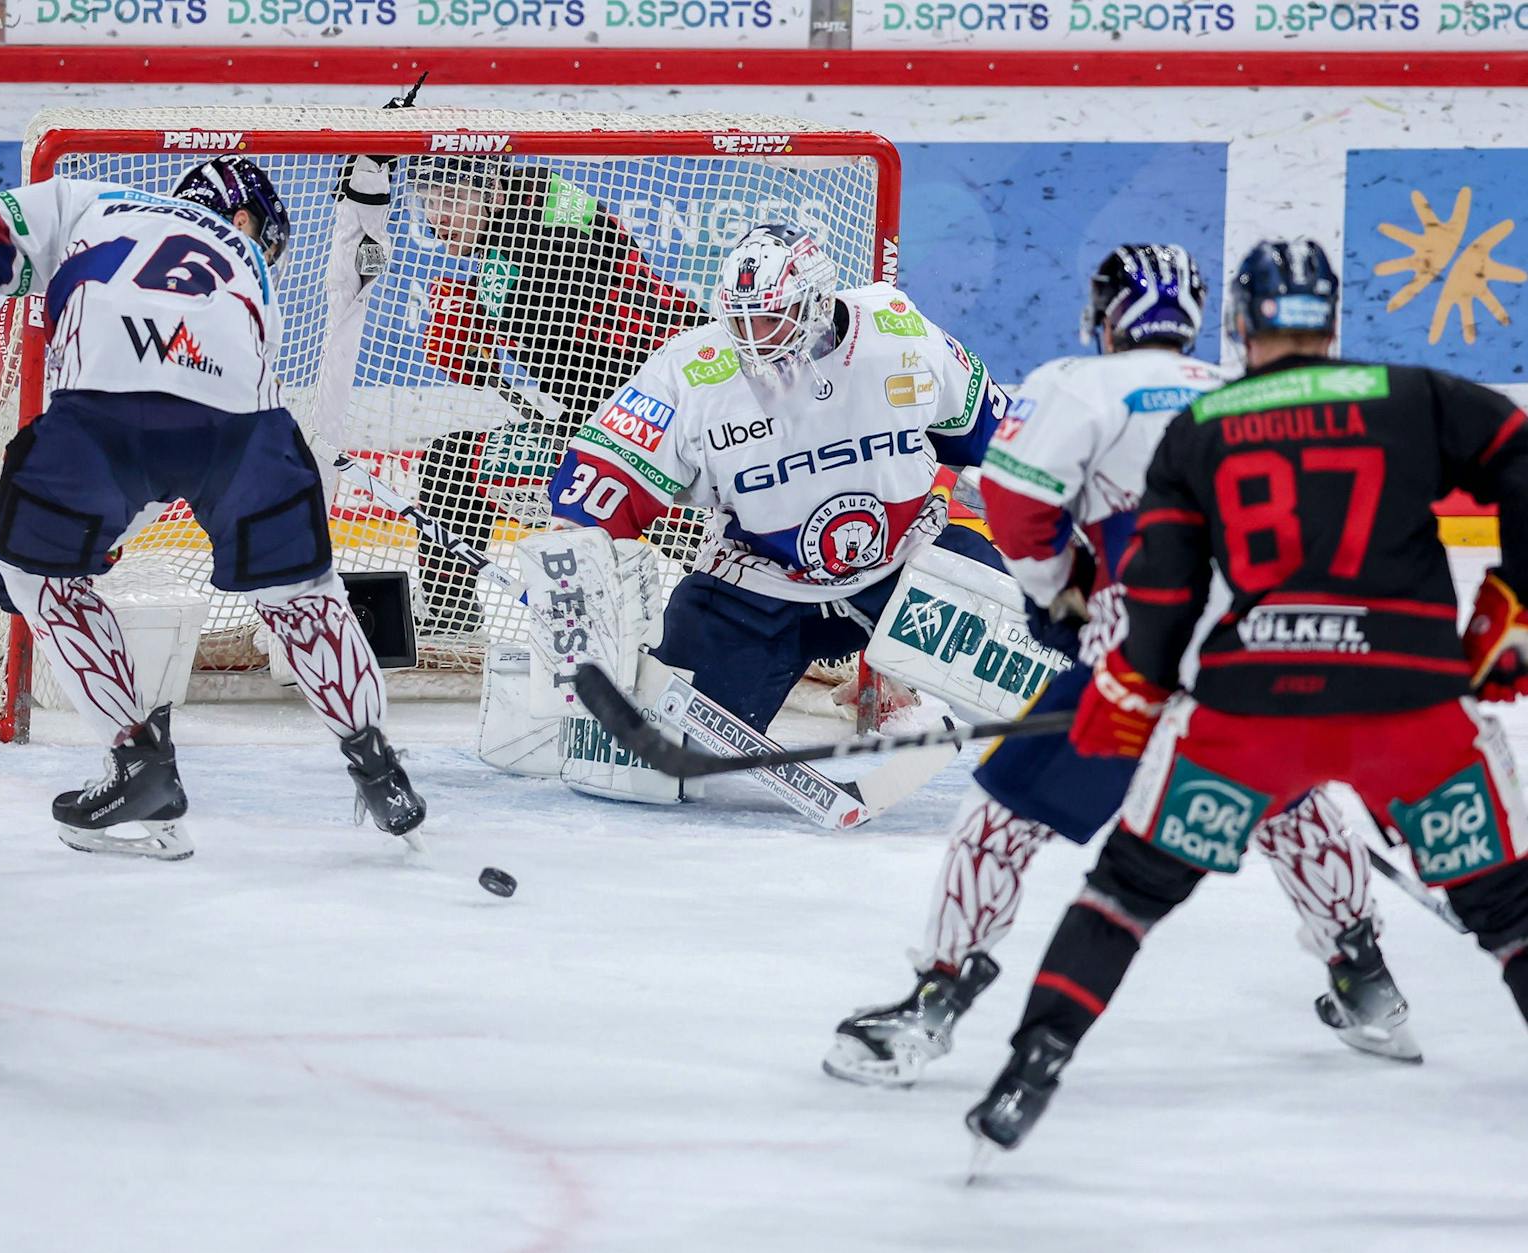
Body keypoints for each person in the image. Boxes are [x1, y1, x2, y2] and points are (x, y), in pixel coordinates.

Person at [967, 237, 1528, 1155]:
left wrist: (1131, 683)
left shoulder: (1207, 423)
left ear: (1241, 325)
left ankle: (1030, 1066)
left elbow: (1161, 592)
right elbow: (1519, 455)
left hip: (1249, 716)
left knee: (1127, 892)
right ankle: (1371, 966)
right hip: (1412, 713)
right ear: (1334, 321)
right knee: (1511, 914)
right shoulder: (1417, 396)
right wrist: (1516, 597)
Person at [822, 244, 1420, 1088]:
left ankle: (934, 1004)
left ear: (1106, 313)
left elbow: (1023, 511)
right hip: (1250, 669)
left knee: (1000, 822)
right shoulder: (1250, 394)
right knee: (1290, 806)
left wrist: (1061, 601)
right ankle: (1367, 981)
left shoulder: (1080, 384)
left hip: (1133, 667)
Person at [0, 156, 426, 861]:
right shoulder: (246, 264)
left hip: (100, 415)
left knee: (34, 574)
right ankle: (379, 767)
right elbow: (191, 418)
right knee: (302, 592)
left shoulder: (85, 205)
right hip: (244, 426)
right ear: (244, 221)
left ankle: (139, 764)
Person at [538, 222, 1009, 733]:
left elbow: (994, 433)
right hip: (761, 585)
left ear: (817, 303)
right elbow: (603, 485)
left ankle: (911, 680)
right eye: (741, 322)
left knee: (1031, 670)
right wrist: (568, 570)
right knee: (676, 739)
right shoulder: (689, 370)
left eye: (771, 318)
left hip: (908, 561)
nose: (754, 339)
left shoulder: (901, 332)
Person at [405, 155, 709, 635]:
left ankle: (449, 620)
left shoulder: (514, 256)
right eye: (428, 200)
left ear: (493, 192)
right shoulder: (548, 197)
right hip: (663, 402)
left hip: (645, 421)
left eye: (453, 197)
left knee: (451, 463)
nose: (437, 215)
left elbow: (581, 304)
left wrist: (481, 322)